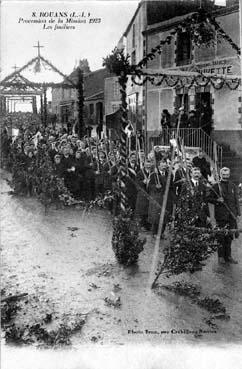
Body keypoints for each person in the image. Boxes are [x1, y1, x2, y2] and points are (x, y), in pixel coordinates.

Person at [208, 167, 241, 264]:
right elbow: (208, 198)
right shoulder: (215, 186)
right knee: (221, 236)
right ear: (220, 175)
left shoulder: (233, 186)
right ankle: (221, 257)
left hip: (232, 215)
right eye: (224, 175)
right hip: (221, 215)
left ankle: (228, 256)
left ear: (229, 175)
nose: (225, 176)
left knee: (230, 236)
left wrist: (238, 214)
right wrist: (217, 201)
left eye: (227, 175)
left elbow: (236, 200)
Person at [135, 158, 152, 230]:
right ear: (144, 164)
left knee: (149, 210)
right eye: (147, 163)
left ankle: (148, 225)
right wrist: (143, 182)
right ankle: (142, 225)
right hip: (143, 193)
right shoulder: (140, 173)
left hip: (150, 193)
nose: (148, 165)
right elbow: (136, 184)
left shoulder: (153, 173)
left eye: (149, 163)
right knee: (142, 210)